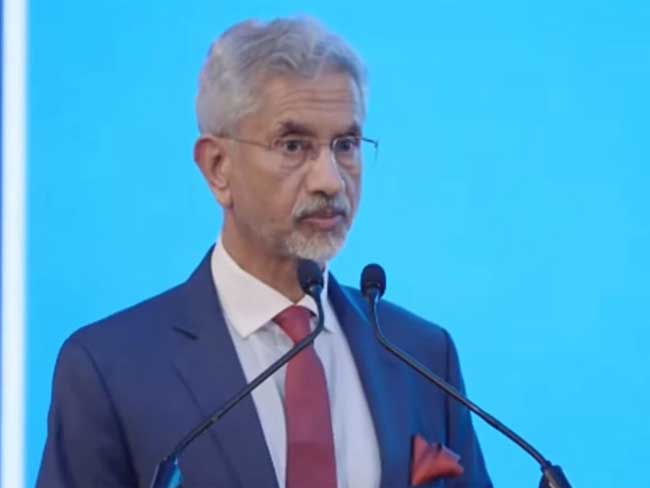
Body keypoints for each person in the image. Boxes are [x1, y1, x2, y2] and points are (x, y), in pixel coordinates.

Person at [37, 17, 492, 488]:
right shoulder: (111, 369)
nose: (330, 181)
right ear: (218, 167)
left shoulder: (421, 357)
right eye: (293, 145)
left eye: (346, 145)